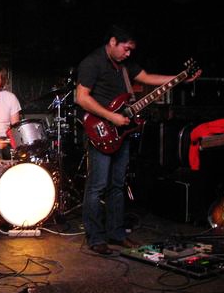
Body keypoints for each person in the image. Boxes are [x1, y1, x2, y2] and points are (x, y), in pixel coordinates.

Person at [75, 24, 201, 255]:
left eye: (131, 50)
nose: (128, 53)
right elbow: (81, 98)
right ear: (113, 41)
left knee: (117, 185)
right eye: (126, 48)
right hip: (101, 129)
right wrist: (111, 116)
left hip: (122, 131)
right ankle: (96, 238)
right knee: (97, 187)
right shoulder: (92, 62)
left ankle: (116, 233)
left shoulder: (124, 65)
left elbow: (147, 77)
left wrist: (181, 78)